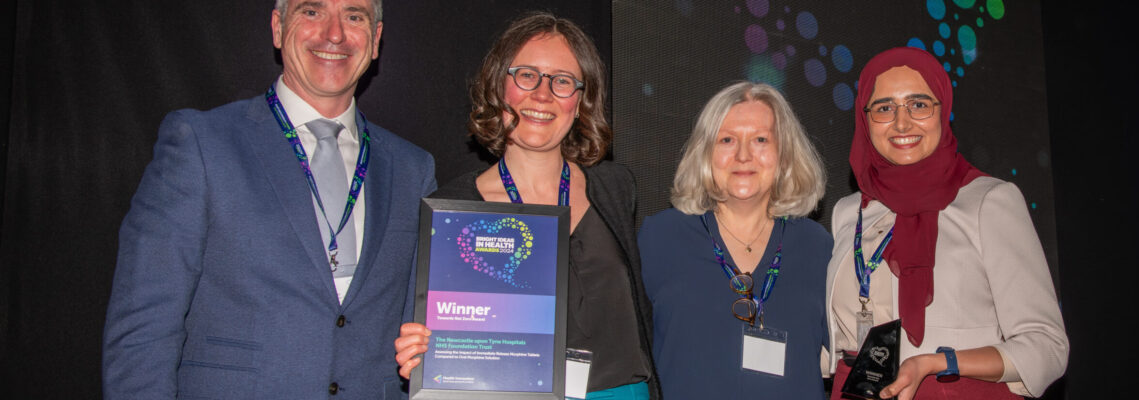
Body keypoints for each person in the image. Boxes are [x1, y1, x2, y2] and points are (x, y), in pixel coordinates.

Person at [101, 0, 436, 398]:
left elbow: (418, 328)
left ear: (376, 39)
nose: (334, 33)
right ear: (278, 28)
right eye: (311, 12)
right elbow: (144, 326)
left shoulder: (413, 169)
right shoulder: (201, 144)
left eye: (354, 16)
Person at [393, 12, 659, 400]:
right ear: (499, 87)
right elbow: (451, 334)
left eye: (562, 81)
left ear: (581, 101)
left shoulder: (615, 187)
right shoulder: (454, 211)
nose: (543, 94)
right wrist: (422, 350)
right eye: (527, 75)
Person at [823, 47, 1068, 400]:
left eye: (919, 104)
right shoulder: (849, 212)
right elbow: (835, 338)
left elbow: (1047, 348)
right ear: (865, 118)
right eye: (884, 107)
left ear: (943, 110)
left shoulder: (990, 201)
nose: (902, 122)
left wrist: (940, 363)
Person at [638, 82, 830, 399]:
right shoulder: (659, 237)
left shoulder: (818, 246)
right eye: (727, 140)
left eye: (760, 140)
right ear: (705, 152)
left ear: (784, 155)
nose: (743, 155)